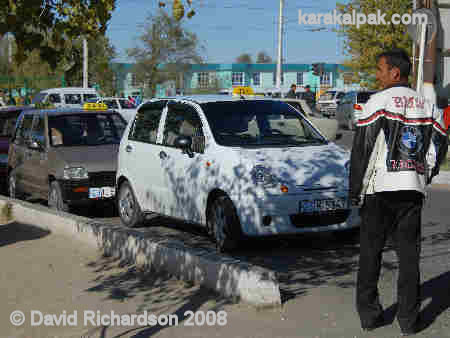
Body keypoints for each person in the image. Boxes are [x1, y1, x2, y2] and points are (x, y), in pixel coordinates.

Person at [349, 49, 448, 335]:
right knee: (409, 258)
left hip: (379, 191)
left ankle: (369, 317)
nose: (376, 75)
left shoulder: (377, 103)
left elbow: (362, 152)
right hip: (412, 192)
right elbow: (439, 145)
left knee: (370, 255)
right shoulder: (428, 105)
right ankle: (409, 321)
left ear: (395, 72)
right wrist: (423, 174)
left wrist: (355, 191)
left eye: (379, 69)